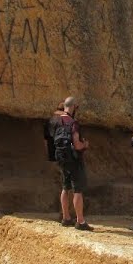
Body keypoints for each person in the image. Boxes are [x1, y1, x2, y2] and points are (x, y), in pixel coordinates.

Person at [50, 96, 93, 231]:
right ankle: (80, 221)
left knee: (65, 187)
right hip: (74, 159)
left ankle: (66, 218)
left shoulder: (56, 121)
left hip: (62, 158)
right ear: (73, 106)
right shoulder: (73, 123)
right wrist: (85, 144)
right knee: (77, 190)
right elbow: (77, 144)